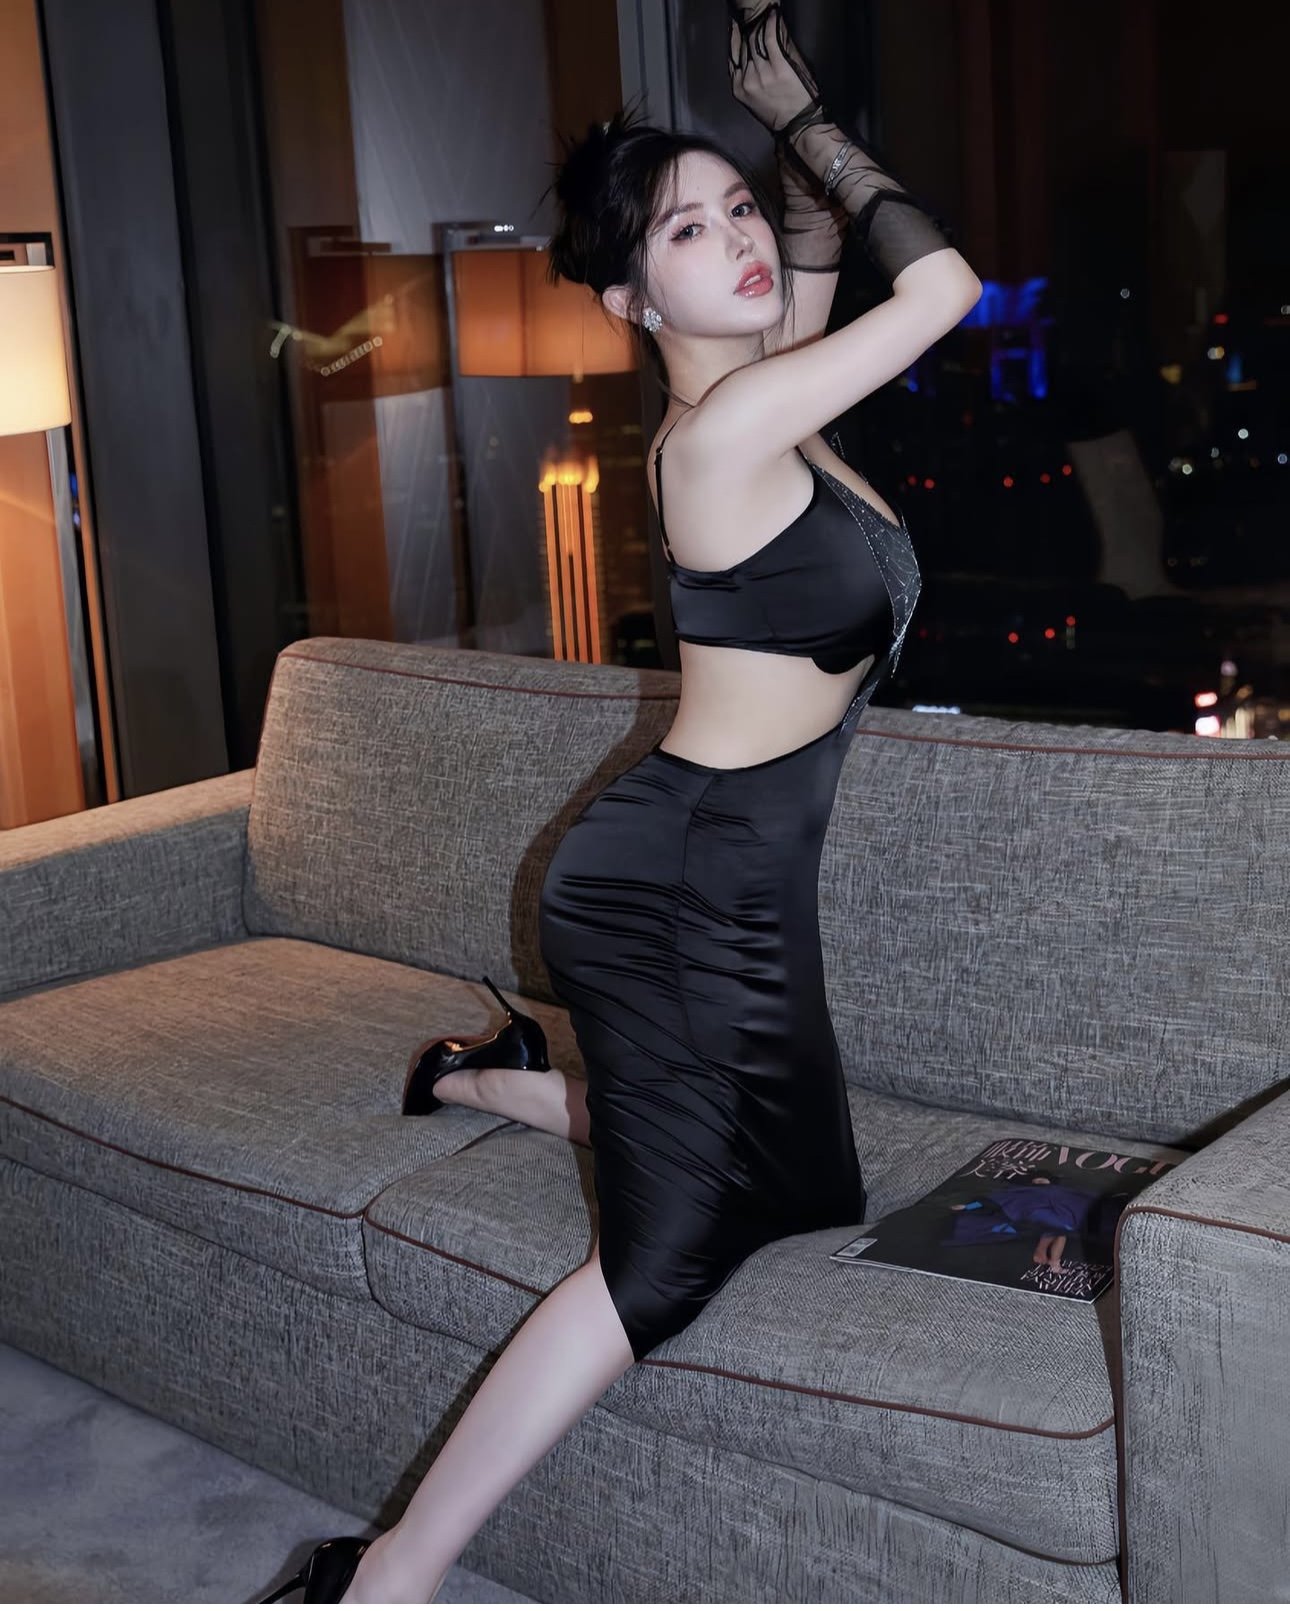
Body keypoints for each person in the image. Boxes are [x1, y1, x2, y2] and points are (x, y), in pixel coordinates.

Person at [262, 3, 980, 1602]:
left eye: (733, 211)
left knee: (806, 1190)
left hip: (737, 893)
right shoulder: (725, 438)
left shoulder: (771, 392)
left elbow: (812, 246)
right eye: (683, 230)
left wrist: (787, 145)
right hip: (670, 903)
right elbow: (941, 288)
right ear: (625, 296)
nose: (735, 239)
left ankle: (489, 1081)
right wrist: (801, 123)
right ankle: (388, 1574)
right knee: (655, 1269)